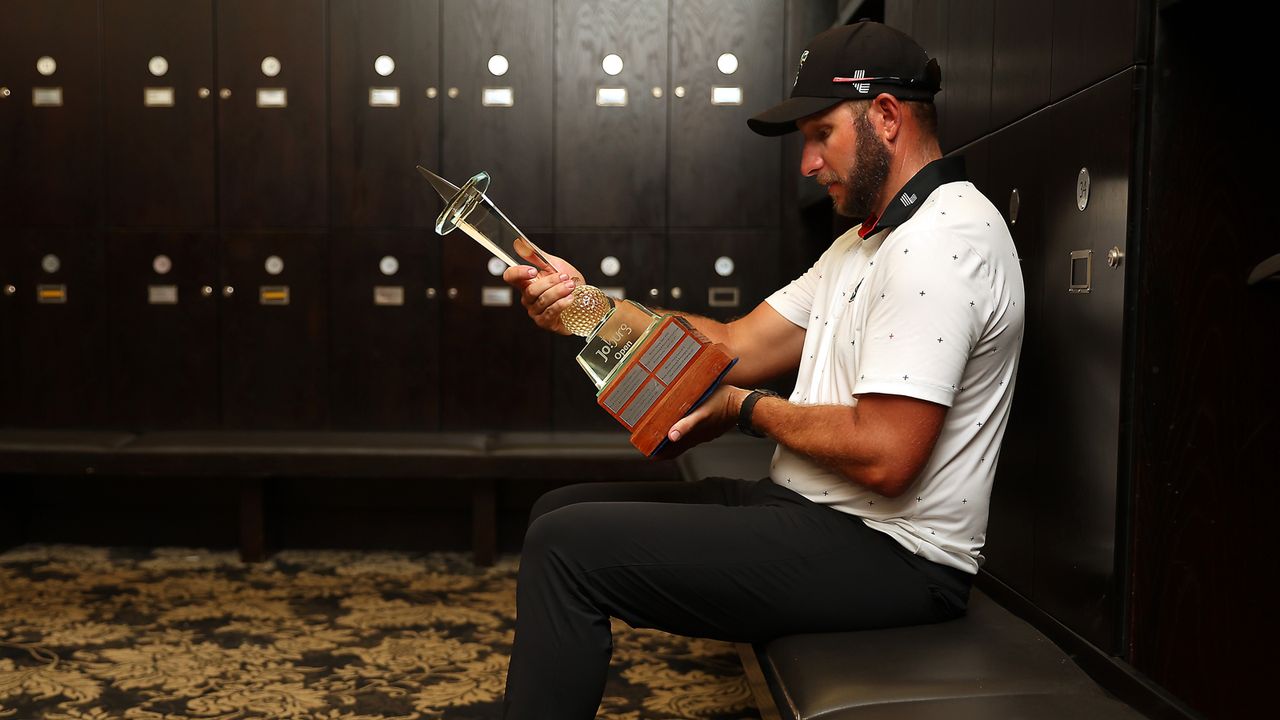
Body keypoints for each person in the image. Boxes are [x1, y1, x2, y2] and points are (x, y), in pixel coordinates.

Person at [499, 20, 1025, 719]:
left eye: (820, 135)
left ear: (887, 118)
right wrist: (586, 307)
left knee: (567, 548)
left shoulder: (942, 243)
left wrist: (743, 410)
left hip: (894, 557)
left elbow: (887, 455)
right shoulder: (864, 244)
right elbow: (731, 341)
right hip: (809, 510)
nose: (807, 163)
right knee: (556, 512)